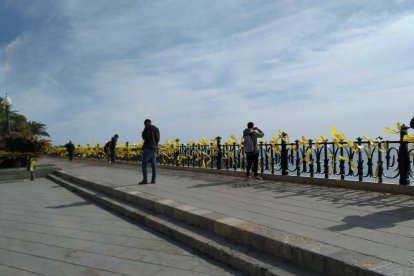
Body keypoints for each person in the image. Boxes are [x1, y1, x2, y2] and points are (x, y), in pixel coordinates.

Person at [139, 119, 160, 184]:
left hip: (148, 147)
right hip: (154, 148)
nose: (144, 125)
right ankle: (153, 180)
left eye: (144, 124)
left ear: (147, 123)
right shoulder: (156, 129)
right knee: (154, 165)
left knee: (144, 164)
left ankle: (145, 180)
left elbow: (144, 137)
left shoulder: (147, 127)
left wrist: (142, 133)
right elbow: (158, 139)